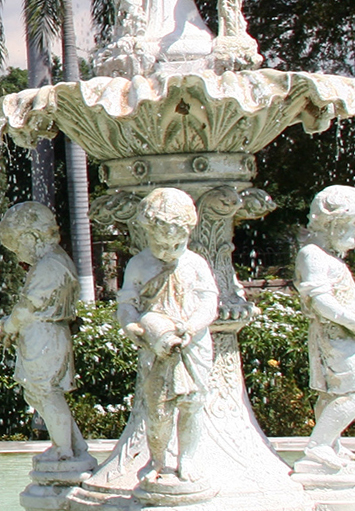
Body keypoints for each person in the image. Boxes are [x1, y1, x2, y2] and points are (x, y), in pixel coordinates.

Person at [117, 188, 218, 497]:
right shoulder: (138, 264)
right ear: (147, 233)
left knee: (193, 404)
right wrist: (130, 325)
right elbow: (127, 303)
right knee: (158, 409)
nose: (168, 250)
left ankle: (187, 460)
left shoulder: (196, 263)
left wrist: (190, 326)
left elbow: (209, 304)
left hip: (193, 344)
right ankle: (159, 459)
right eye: (160, 244)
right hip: (156, 346)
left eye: (177, 243)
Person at [294, 185, 355, 474]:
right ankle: (319, 446)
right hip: (335, 335)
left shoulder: (328, 256)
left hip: (348, 334)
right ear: (333, 223)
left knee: (334, 393)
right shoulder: (312, 254)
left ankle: (330, 443)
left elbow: (349, 298)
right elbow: (320, 299)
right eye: (353, 231)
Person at [0, 201, 90, 467]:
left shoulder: (50, 265)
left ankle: (64, 451)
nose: (18, 257)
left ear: (31, 237)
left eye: (18, 248)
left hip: (44, 336)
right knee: (39, 393)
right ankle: (73, 445)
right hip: (42, 333)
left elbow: (27, 308)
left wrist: (9, 326)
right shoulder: (54, 262)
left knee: (46, 392)